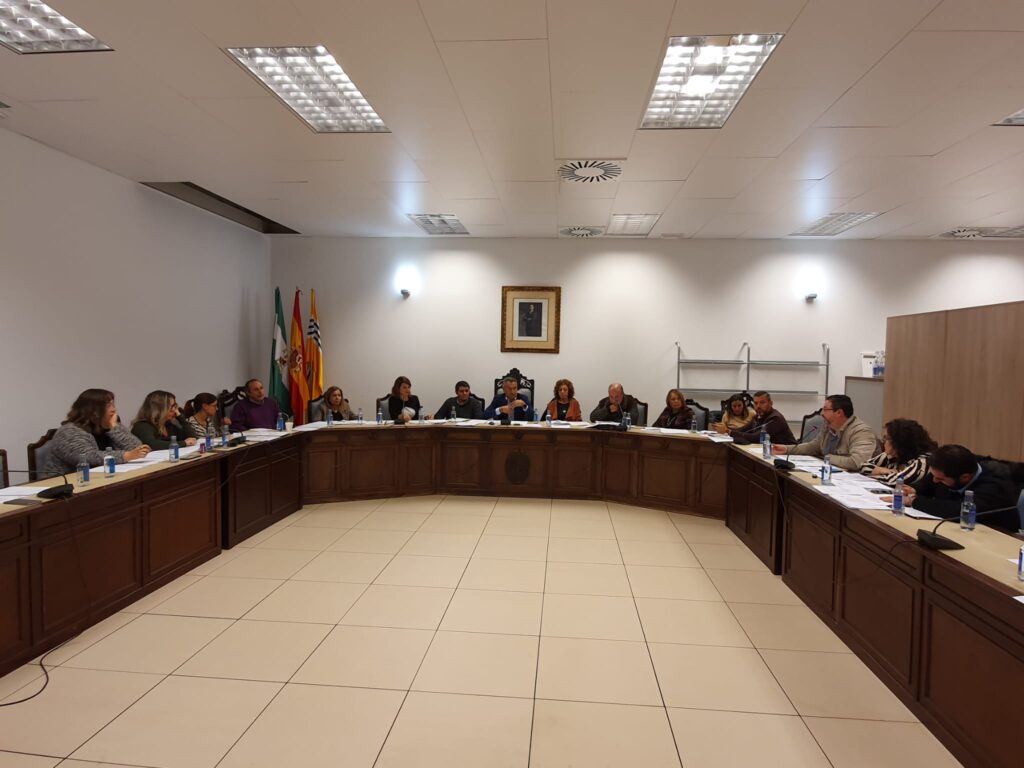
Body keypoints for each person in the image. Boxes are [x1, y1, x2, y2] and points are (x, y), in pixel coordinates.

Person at [905, 445, 1020, 531]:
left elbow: (958, 511)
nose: (934, 481)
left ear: (965, 477)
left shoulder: (994, 487)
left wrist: (914, 501)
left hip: (996, 538)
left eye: (940, 479)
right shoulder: (953, 469)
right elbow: (930, 481)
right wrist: (914, 489)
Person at [42, 388, 151, 477]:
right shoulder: (69, 431)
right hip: (65, 485)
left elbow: (137, 448)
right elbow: (88, 457)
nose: (114, 410)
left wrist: (114, 428)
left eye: (113, 405)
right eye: (108, 406)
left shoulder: (108, 425)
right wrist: (126, 456)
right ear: (93, 411)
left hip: (101, 479)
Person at [771, 394, 876, 470]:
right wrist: (786, 449)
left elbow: (857, 462)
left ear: (839, 412)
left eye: (825, 409)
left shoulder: (861, 432)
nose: (821, 413)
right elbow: (814, 446)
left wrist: (826, 457)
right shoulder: (828, 426)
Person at [860, 418, 935, 487]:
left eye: (887, 438)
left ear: (899, 442)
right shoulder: (891, 454)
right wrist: (881, 470)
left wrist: (874, 474)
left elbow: (896, 481)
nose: (883, 442)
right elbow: (864, 466)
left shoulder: (923, 461)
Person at [715, 391, 795, 444]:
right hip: (770, 452)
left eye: (762, 403)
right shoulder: (758, 416)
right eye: (756, 403)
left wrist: (728, 431)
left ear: (771, 403)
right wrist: (724, 430)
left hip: (789, 455)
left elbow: (756, 438)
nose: (758, 406)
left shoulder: (775, 418)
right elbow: (743, 429)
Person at [131, 391, 198, 449]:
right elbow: (152, 445)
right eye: (172, 407)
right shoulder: (142, 426)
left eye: (175, 406)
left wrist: (180, 417)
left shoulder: (167, 424)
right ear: (159, 409)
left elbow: (192, 438)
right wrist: (184, 443)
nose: (175, 410)